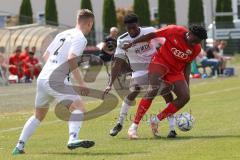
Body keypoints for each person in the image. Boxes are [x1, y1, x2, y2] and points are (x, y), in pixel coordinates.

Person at [12, 9, 95, 155]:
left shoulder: (62, 34)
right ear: (90, 23)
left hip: (43, 78)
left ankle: (19, 146)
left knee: (38, 115)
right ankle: (72, 139)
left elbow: (46, 55)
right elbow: (71, 58)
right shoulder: (80, 37)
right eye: (91, 25)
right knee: (79, 108)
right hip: (57, 79)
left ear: (77, 20)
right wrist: (81, 83)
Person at [123, 24, 207, 137]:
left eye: (198, 42)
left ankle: (156, 120)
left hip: (175, 72)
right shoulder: (174, 30)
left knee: (185, 96)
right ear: (190, 34)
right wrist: (132, 43)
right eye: (194, 40)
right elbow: (152, 35)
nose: (195, 43)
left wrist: (186, 83)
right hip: (160, 63)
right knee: (153, 89)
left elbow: (187, 65)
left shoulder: (196, 48)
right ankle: (134, 127)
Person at [103, 13, 177, 139]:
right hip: (139, 69)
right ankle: (119, 123)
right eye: (129, 28)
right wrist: (110, 83)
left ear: (138, 25)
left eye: (134, 28)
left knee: (166, 92)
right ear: (125, 27)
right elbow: (117, 63)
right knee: (134, 89)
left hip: (156, 64)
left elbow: (165, 43)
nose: (132, 31)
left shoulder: (150, 31)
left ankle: (172, 129)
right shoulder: (122, 40)